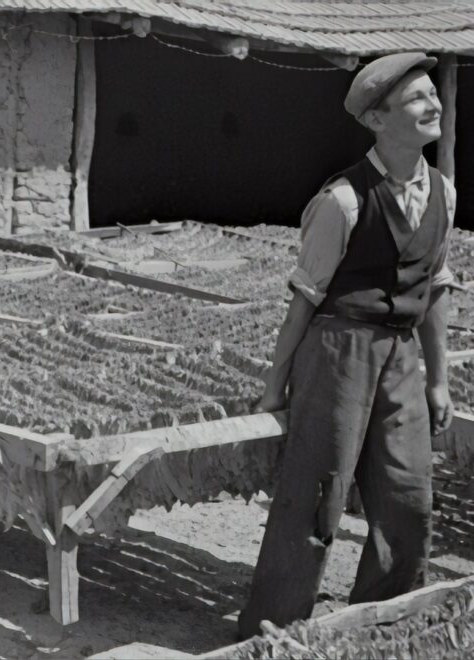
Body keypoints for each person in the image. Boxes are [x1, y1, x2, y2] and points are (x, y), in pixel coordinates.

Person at [238, 52, 455, 638]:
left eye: (433, 93)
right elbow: (305, 299)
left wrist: (438, 379)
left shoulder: (443, 192)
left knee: (408, 496)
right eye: (415, 98)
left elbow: (433, 290)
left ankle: (380, 622)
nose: (433, 104)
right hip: (339, 353)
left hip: (401, 356)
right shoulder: (343, 201)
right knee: (316, 493)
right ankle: (273, 629)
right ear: (377, 120)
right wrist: (274, 383)